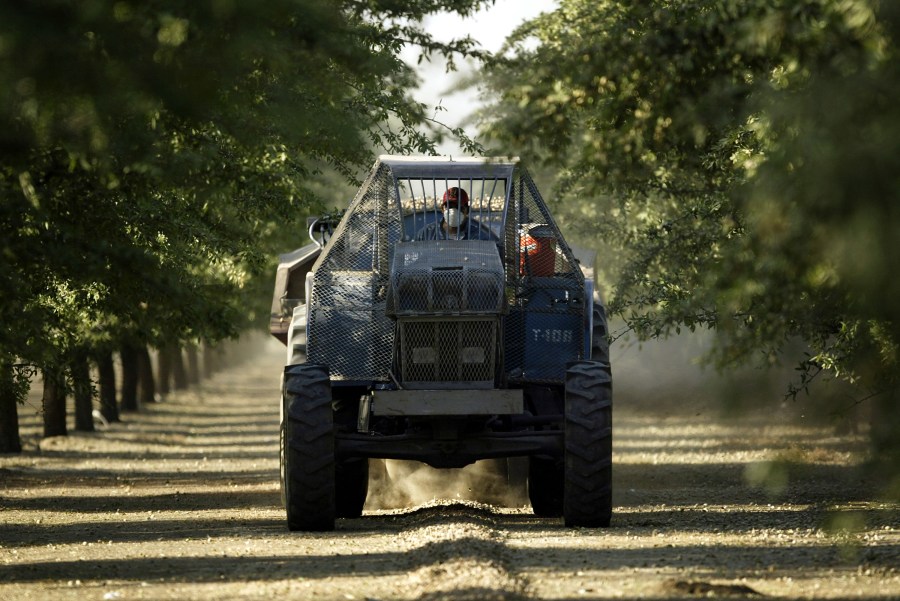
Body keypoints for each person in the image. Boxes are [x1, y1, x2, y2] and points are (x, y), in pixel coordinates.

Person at [415, 187, 497, 241]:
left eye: (458, 207)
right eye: (449, 206)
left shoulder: (478, 237)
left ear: (467, 210)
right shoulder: (426, 234)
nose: (453, 210)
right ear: (442, 209)